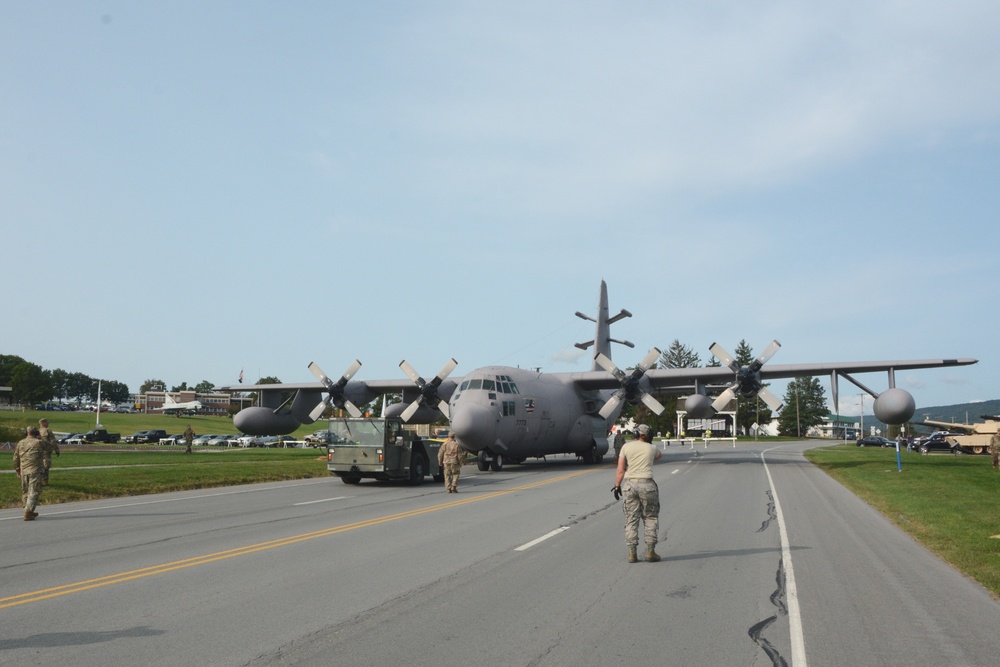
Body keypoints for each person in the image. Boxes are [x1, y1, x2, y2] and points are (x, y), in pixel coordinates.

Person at [612, 423, 662, 563]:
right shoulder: (652, 448)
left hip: (629, 485)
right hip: (647, 484)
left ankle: (632, 553)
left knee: (631, 518)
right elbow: (659, 456)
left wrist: (617, 486)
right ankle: (650, 552)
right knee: (650, 517)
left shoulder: (626, 447)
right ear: (646, 435)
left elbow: (620, 470)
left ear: (635, 434)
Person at [14, 426, 45, 521]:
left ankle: (28, 509)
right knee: (34, 491)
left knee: (25, 490)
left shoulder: (21, 443)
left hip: (24, 471)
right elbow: (50, 446)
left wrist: (17, 469)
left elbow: (15, 458)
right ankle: (28, 512)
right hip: (35, 470)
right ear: (36, 433)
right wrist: (41, 437)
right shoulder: (39, 442)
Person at [38, 417, 60, 485]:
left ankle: (39, 480)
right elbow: (53, 441)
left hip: (38, 451)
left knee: (39, 465)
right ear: (43, 423)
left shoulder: (37, 431)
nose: (48, 424)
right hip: (46, 451)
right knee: (46, 466)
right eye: (47, 422)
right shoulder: (48, 430)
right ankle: (45, 482)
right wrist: (57, 450)